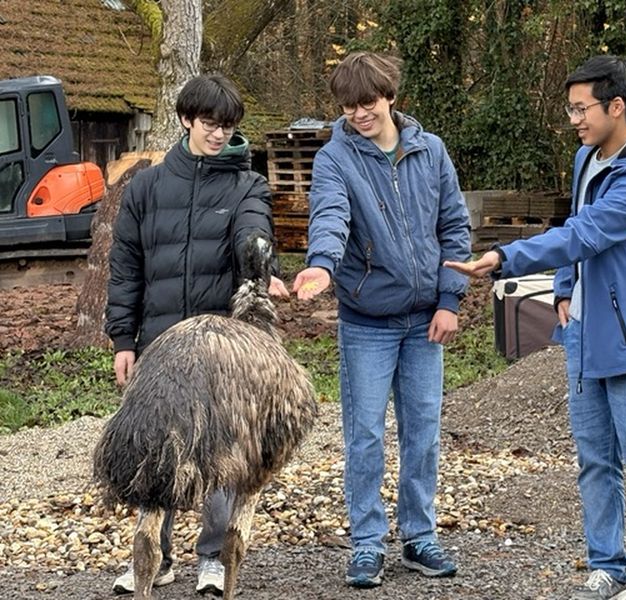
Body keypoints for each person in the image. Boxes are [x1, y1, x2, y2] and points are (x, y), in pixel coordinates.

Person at [444, 56, 626, 600]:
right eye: (570, 109)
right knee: (594, 460)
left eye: (581, 109)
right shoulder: (588, 156)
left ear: (616, 107)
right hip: (584, 331)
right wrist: (563, 287)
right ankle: (610, 568)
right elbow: (574, 225)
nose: (574, 120)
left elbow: (590, 231)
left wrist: (504, 257)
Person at [292, 52, 471, 588]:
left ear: (391, 97)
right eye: (348, 107)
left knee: (423, 432)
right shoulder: (335, 158)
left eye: (367, 103)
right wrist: (321, 264)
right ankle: (367, 543)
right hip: (366, 320)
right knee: (365, 435)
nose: (358, 114)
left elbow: (455, 228)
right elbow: (330, 214)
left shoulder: (431, 150)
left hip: (424, 321)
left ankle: (419, 536)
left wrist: (450, 300)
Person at [105, 73, 287, 596]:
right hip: (159, 344)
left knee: (219, 450)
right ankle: (154, 556)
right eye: (210, 124)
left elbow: (254, 229)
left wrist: (258, 259)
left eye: (228, 127)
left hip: (219, 347)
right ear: (186, 120)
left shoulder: (246, 183)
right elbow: (126, 268)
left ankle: (211, 556)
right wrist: (123, 339)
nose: (219, 135)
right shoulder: (146, 187)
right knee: (154, 449)